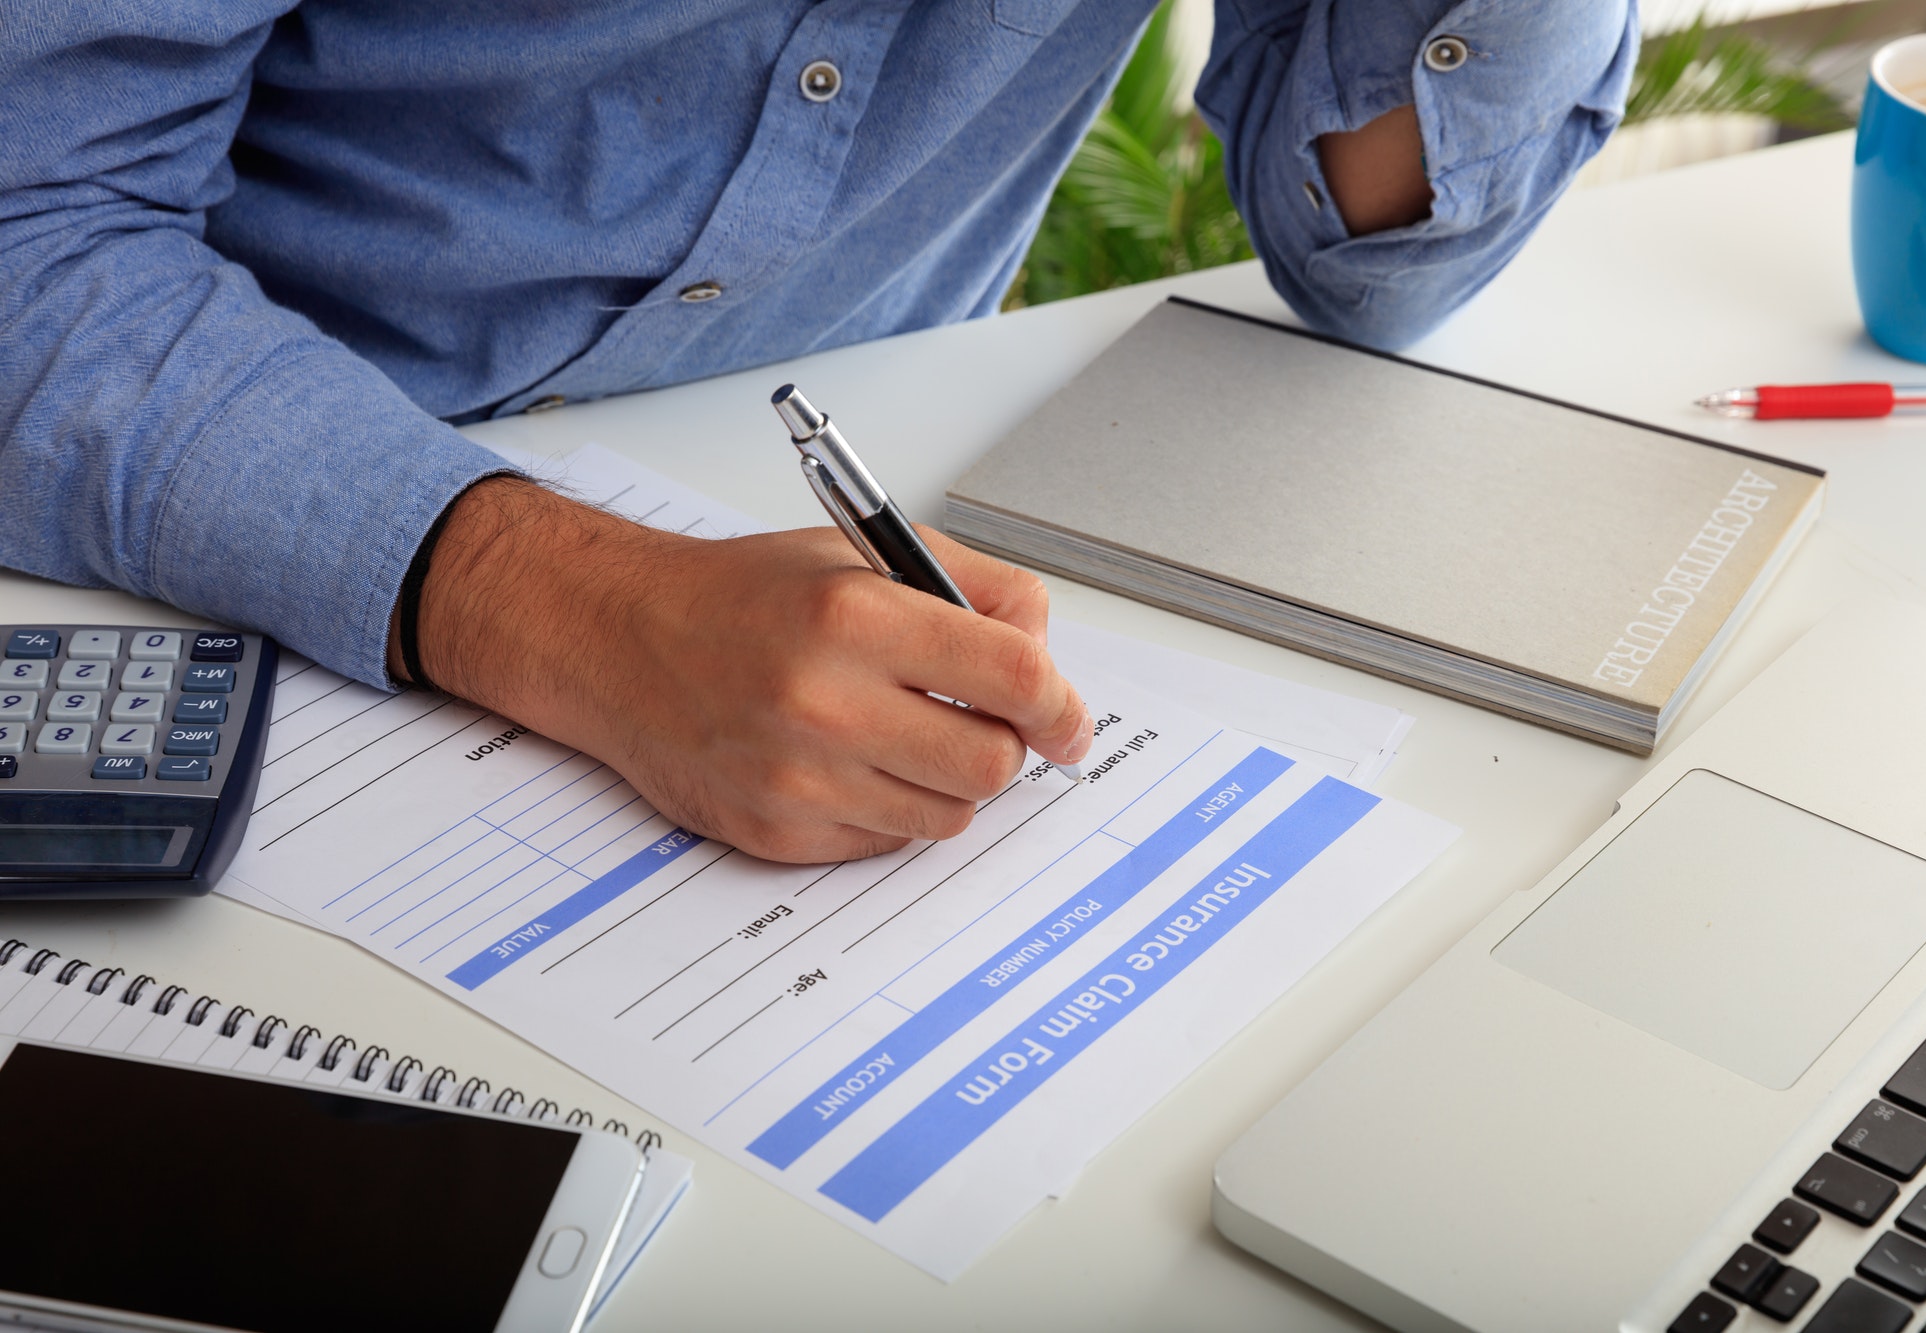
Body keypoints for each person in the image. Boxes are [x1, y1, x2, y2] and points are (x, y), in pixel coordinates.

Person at [0, 2, 1637, 863]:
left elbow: (1373, 248)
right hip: (187, 551)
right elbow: (26, 218)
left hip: (859, 551)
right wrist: (567, 602)